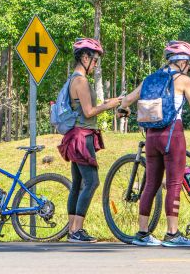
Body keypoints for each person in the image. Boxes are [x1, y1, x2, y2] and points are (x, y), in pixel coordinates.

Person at [120, 40, 190, 247]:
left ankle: (142, 233)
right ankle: (172, 233)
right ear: (182, 61)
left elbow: (127, 99)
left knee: (151, 183)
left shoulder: (149, 79)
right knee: (174, 182)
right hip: (172, 134)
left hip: (151, 136)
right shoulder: (183, 80)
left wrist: (124, 110)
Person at [58, 38, 123, 243]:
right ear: (85, 57)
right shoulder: (81, 81)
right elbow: (89, 112)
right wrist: (110, 104)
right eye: (95, 60)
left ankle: (72, 230)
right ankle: (77, 231)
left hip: (76, 135)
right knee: (92, 181)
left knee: (78, 183)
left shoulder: (73, 79)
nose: (96, 64)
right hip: (81, 137)